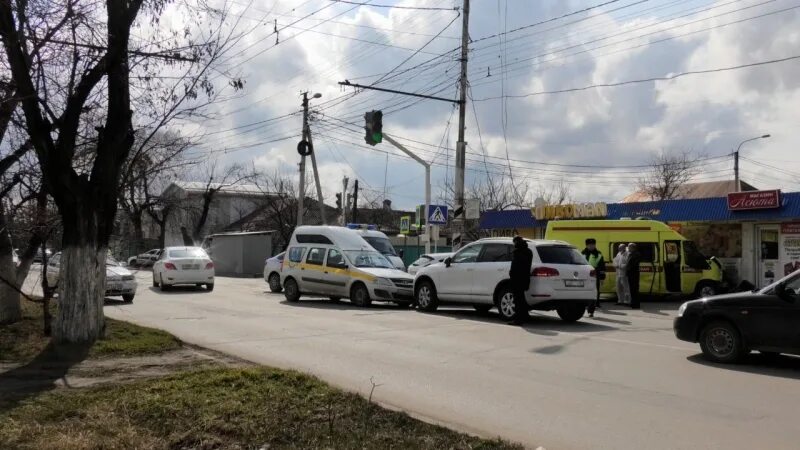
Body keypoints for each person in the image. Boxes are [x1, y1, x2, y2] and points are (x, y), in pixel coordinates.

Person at [509, 236, 533, 325]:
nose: (514, 244)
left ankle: (518, 319)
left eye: (514, 242)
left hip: (517, 279)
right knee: (521, 298)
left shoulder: (517, 252)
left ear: (516, 242)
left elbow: (515, 266)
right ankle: (525, 316)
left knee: (518, 300)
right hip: (525, 278)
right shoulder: (529, 251)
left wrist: (511, 274)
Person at [581, 238, 606, 318]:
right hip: (584, 276)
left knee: (594, 292)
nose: (591, 246)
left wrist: (602, 278)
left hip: (595, 276)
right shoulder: (582, 253)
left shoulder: (598, 254)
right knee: (583, 292)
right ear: (587, 245)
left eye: (593, 245)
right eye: (590, 245)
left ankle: (591, 310)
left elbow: (602, 267)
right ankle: (583, 305)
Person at [626, 242, 642, 309]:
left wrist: (628, 268)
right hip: (631, 274)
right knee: (632, 289)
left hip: (634, 274)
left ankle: (636, 304)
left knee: (635, 289)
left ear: (632, 247)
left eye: (629, 247)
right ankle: (633, 303)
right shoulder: (631, 254)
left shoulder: (636, 254)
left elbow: (633, 264)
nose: (628, 248)